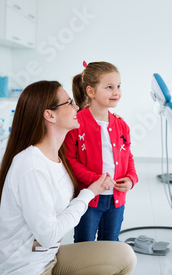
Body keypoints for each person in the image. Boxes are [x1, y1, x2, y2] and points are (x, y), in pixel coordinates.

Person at [0, 80, 137, 275]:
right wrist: (90, 193)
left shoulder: (57, 158)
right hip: (26, 269)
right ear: (49, 115)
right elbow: (49, 236)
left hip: (48, 258)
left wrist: (108, 119)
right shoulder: (31, 166)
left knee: (124, 256)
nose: (76, 106)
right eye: (69, 102)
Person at [65, 61, 138, 243]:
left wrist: (131, 179)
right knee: (84, 245)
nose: (116, 92)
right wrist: (94, 180)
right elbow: (69, 159)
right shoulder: (76, 123)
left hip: (116, 200)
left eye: (119, 86)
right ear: (91, 91)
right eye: (109, 87)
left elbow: (128, 156)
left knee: (110, 244)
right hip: (88, 199)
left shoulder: (122, 125)